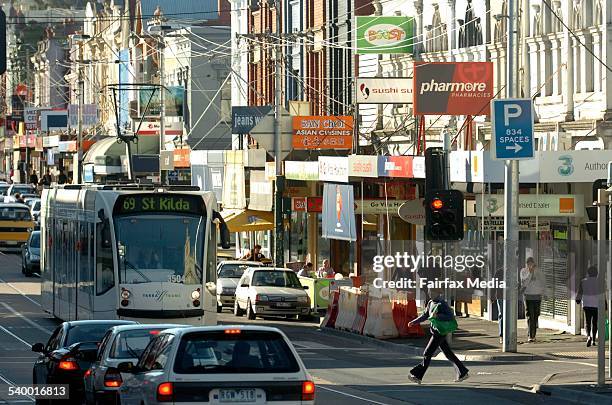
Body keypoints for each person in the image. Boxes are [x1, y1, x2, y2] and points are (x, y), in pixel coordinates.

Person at [407, 289, 469, 384]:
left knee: (427, 353)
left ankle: (417, 375)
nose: (429, 294)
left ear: (437, 292)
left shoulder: (441, 303)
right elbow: (425, 315)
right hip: (436, 331)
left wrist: (438, 316)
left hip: (439, 333)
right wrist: (414, 322)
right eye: (429, 292)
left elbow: (450, 316)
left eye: (431, 292)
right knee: (448, 353)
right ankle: (462, 372)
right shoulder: (431, 302)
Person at [520, 257, 545, 342]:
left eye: (531, 264)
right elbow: (524, 283)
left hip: (537, 296)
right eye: (528, 264)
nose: (530, 265)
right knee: (530, 315)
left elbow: (543, 282)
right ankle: (531, 336)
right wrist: (530, 274)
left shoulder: (539, 271)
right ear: (526, 264)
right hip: (528, 296)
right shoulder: (523, 271)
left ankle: (533, 334)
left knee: (536, 315)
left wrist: (544, 292)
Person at [576, 266, 600, 347]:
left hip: (586, 304)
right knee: (595, 322)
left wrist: (578, 300)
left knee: (588, 322)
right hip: (596, 305)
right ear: (596, 274)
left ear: (588, 273)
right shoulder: (599, 282)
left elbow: (580, 292)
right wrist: (605, 304)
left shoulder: (583, 281)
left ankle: (588, 336)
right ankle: (593, 340)